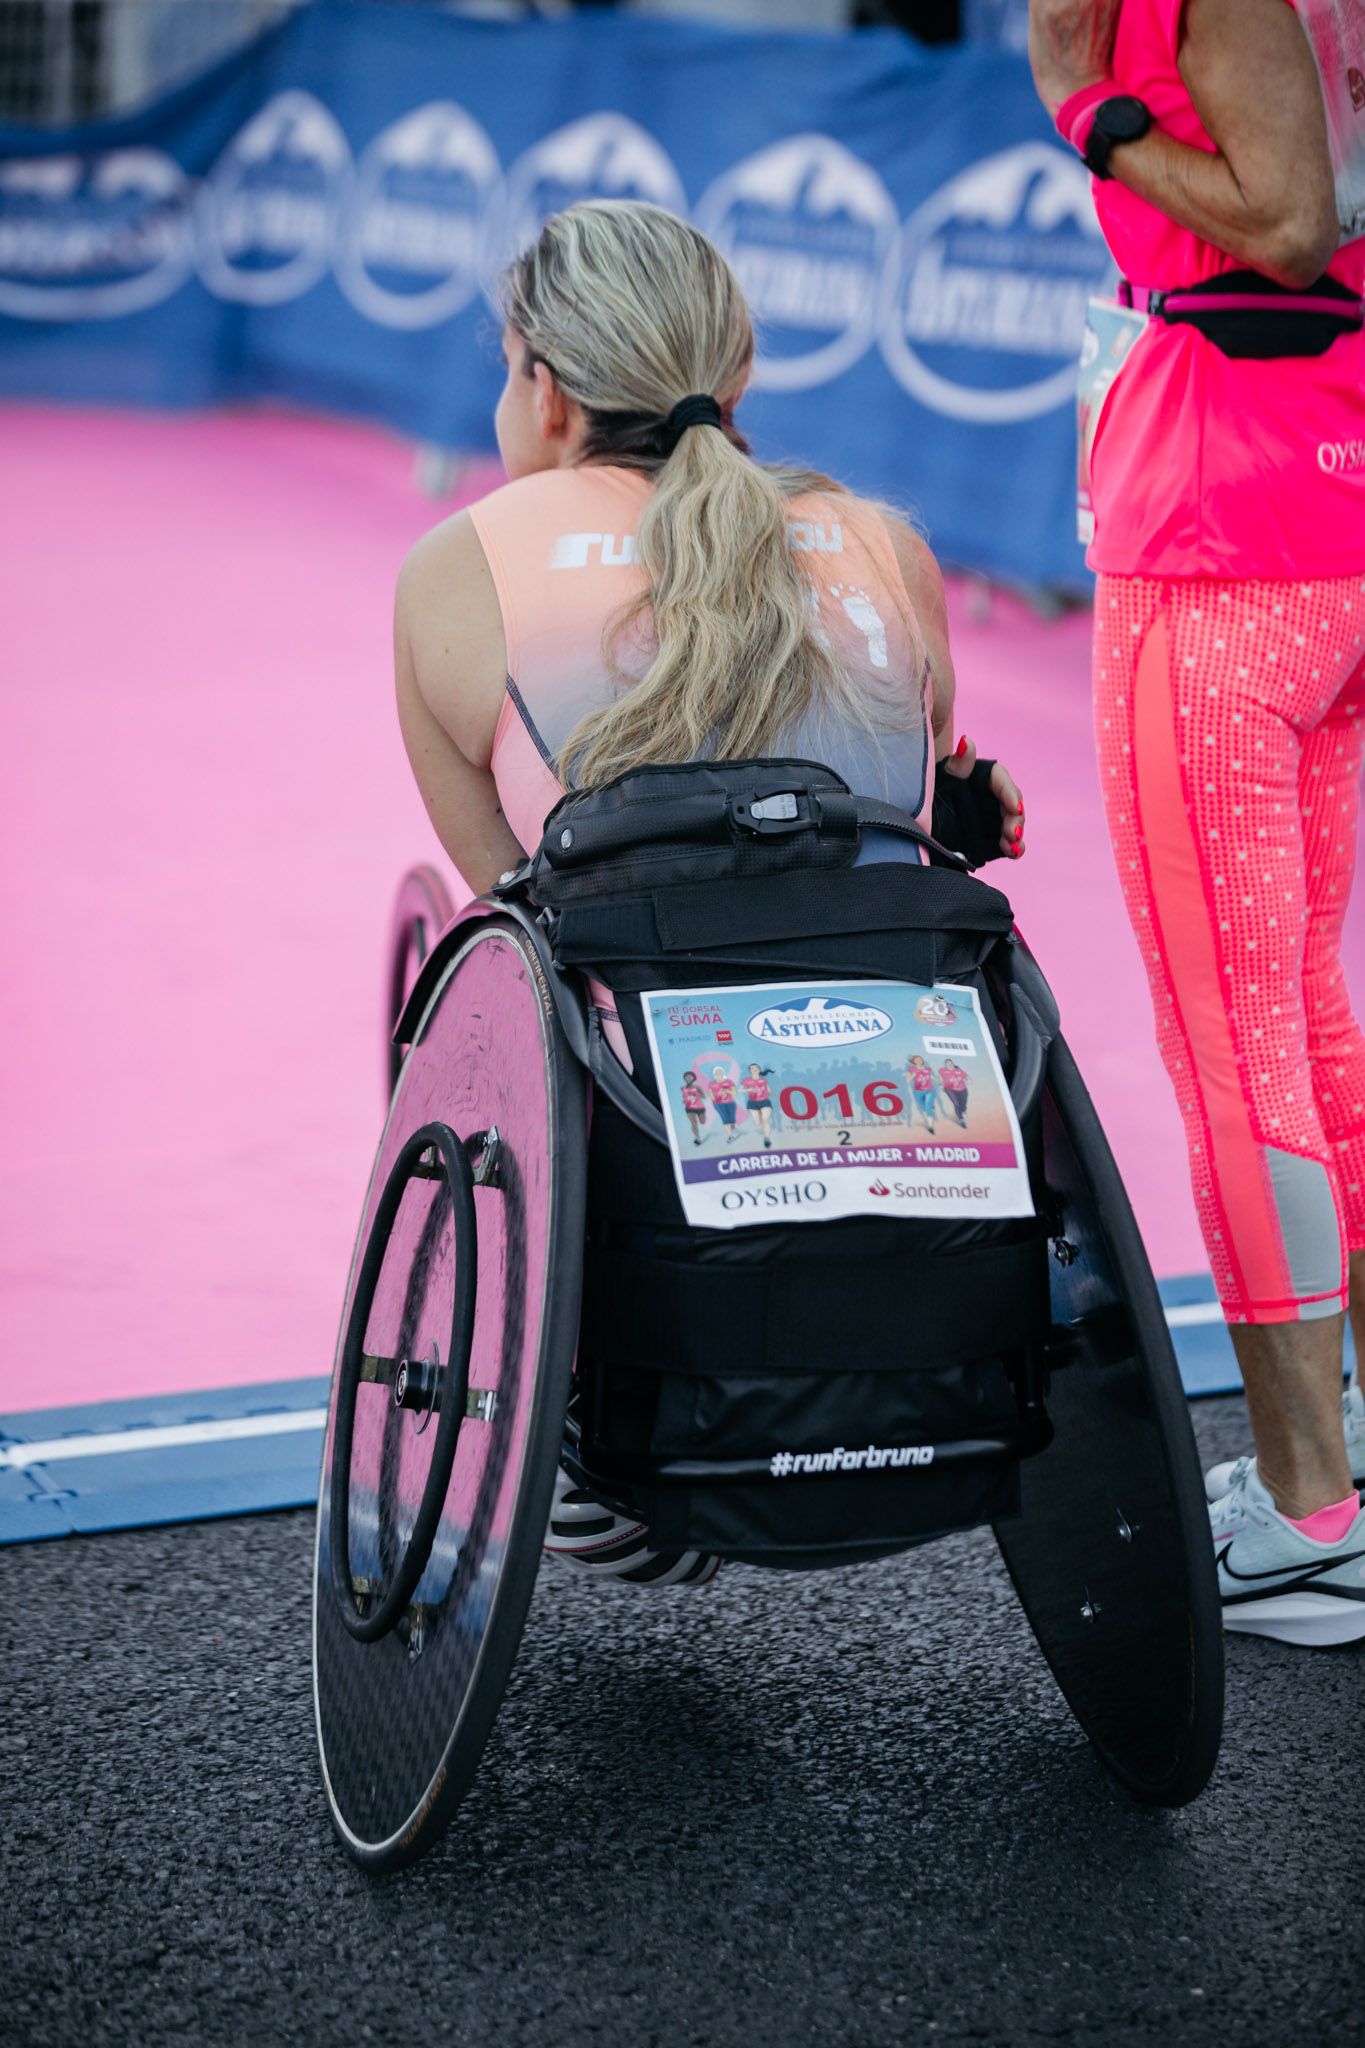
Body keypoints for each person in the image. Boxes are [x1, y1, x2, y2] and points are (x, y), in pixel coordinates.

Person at [393, 199, 1024, 1584]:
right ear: (734, 379)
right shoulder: (882, 548)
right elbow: (919, 811)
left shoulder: (459, 570)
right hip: (918, 1132)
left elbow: (510, 897)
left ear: (545, 393)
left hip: (649, 1161)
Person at [1029, 0, 1365, 1643]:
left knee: (1241, 1052)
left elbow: (1293, 220)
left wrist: (1087, 115)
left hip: (1226, 530)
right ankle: (1343, 1474)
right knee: (1305, 1013)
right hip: (1330, 503)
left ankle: (1315, 1514)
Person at [740, 1064, 777, 1148]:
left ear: (759, 1069)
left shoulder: (763, 1080)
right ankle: (763, 1127)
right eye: (752, 1068)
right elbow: (740, 1090)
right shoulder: (746, 1080)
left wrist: (769, 1092)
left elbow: (768, 1089)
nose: (754, 1069)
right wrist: (749, 1089)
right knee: (758, 1122)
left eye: (756, 1068)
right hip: (753, 1103)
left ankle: (766, 1138)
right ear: (750, 1071)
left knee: (765, 1120)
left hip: (765, 1101)